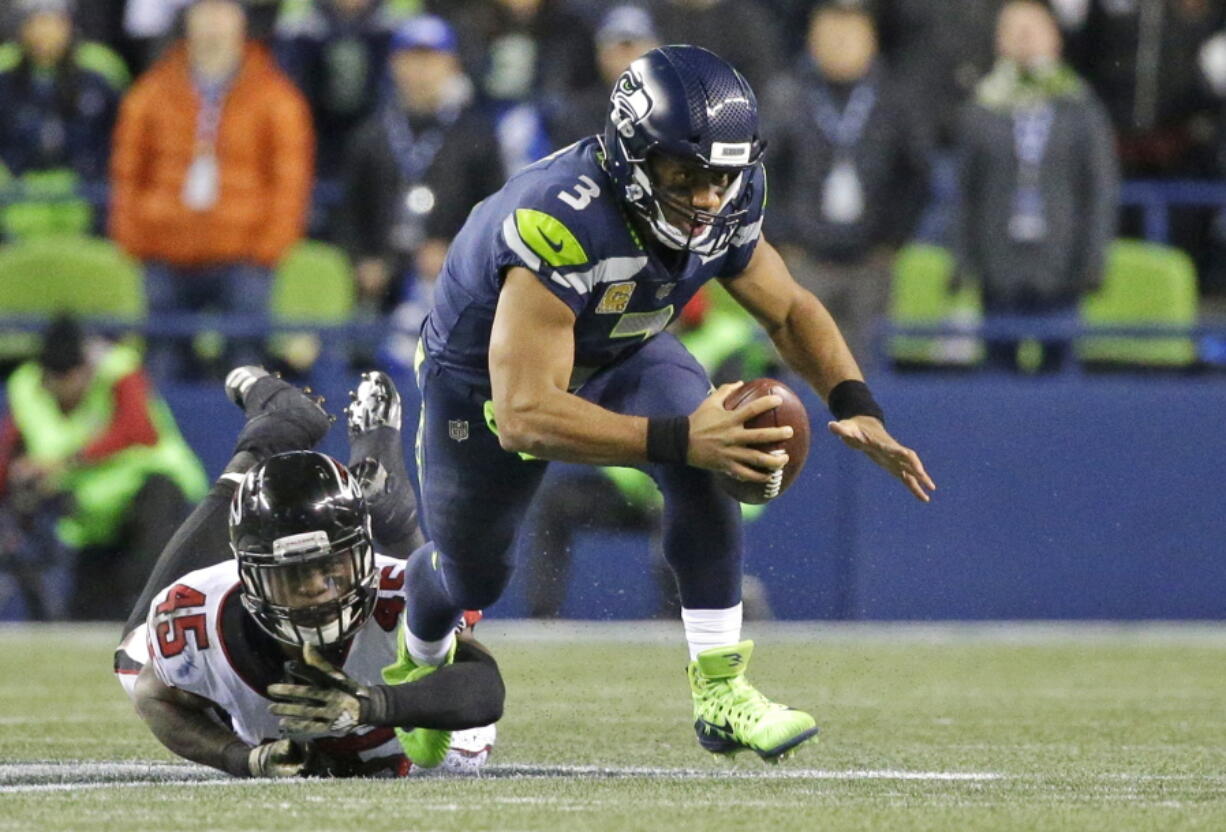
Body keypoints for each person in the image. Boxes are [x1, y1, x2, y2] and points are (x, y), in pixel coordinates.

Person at [404, 44, 935, 762]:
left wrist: (854, 399)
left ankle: (721, 691)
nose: (709, 196)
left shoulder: (731, 194)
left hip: (622, 346)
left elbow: (788, 307)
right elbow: (527, 413)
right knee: (472, 575)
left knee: (721, 443)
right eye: (685, 173)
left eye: (721, 175)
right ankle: (420, 653)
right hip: (486, 382)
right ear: (632, 154)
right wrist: (681, 437)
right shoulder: (559, 218)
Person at [115, 369, 498, 777]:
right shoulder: (201, 618)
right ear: (247, 575)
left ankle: (391, 511)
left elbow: (486, 689)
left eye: (331, 568)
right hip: (274, 693)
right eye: (293, 574)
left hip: (410, 728)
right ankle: (286, 436)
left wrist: (373, 704)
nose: (316, 587)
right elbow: (155, 697)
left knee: (455, 747)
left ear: (362, 557)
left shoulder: (397, 597)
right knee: (135, 665)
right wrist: (241, 758)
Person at [109, 0, 314, 381]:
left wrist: (267, 249)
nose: (213, 24)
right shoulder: (151, 93)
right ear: (187, 20)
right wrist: (137, 239)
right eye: (203, 11)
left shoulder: (276, 96)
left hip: (245, 254)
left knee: (247, 367)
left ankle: (249, 441)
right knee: (162, 363)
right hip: (165, 250)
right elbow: (127, 173)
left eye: (223, 11)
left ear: (241, 21)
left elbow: (290, 181)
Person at [0, 316, 207, 620]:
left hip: (151, 493)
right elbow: (10, 451)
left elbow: (139, 430)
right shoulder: (27, 387)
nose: (67, 387)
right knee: (86, 616)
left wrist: (62, 463)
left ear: (84, 367)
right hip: (95, 517)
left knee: (146, 590)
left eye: (72, 377)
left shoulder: (118, 370)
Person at [955, 0, 1119, 372]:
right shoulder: (982, 108)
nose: (1024, 36)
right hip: (998, 262)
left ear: (1055, 37)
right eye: (1013, 28)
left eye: (1034, 26)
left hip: (1062, 263)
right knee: (996, 373)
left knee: (1060, 372)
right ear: (998, 40)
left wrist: (1093, 260)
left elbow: (1099, 190)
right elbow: (966, 192)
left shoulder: (1080, 106)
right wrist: (965, 260)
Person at [765, 2, 932, 366]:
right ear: (811, 39)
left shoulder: (894, 99)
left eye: (851, 32)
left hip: (870, 262)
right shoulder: (787, 96)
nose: (840, 42)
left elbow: (916, 176)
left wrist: (891, 240)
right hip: (803, 260)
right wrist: (783, 239)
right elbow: (764, 171)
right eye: (830, 31)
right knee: (798, 362)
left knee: (865, 371)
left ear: (871, 40)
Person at [336, 14, 503, 327]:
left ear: (451, 65)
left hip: (452, 277)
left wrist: (455, 250)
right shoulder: (372, 134)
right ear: (394, 64)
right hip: (383, 275)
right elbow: (351, 209)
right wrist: (363, 260)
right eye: (412, 59)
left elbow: (494, 209)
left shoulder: (476, 134)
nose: (421, 71)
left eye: (431, 59)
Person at [0, 0, 130, 239]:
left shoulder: (99, 77)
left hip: (90, 200)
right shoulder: (5, 81)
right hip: (15, 201)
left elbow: (121, 142)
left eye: (54, 20)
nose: (45, 31)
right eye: (37, 21)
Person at [547, 4, 661, 149]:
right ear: (601, 55)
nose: (625, 60)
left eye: (632, 49)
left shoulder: (675, 107)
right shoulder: (578, 114)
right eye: (617, 51)